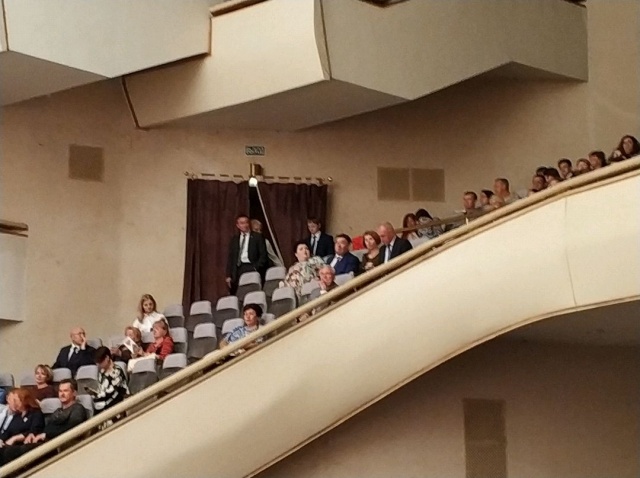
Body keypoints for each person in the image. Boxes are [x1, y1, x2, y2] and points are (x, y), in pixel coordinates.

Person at [0, 379, 87, 466]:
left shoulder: (77, 408)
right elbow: (47, 427)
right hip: (45, 442)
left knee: (15, 451)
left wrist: (45, 434)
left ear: (74, 393)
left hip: (59, 445)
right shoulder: (58, 411)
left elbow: (73, 427)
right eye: (60, 391)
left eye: (65, 391)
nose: (62, 394)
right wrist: (36, 435)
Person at [226, 214, 268, 294]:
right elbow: (231, 258)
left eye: (246, 222)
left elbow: (263, 255)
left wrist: (256, 267)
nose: (245, 225)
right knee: (238, 293)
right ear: (238, 225)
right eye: (242, 223)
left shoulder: (257, 237)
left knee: (251, 292)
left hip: (251, 267)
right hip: (238, 269)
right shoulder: (235, 239)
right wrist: (228, 275)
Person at [90, 347, 129, 413]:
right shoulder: (102, 372)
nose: (98, 365)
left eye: (100, 362)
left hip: (116, 401)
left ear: (107, 358)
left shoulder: (116, 371)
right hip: (104, 400)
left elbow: (113, 393)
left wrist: (99, 396)